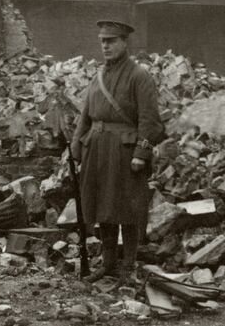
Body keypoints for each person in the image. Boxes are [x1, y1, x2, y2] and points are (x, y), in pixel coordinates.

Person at [70, 20, 165, 285]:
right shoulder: (98, 76)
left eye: (111, 41)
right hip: (97, 150)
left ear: (125, 43)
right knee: (104, 208)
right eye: (103, 41)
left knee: (129, 210)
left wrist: (141, 153)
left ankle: (128, 267)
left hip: (125, 152)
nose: (106, 46)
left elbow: (151, 121)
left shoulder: (139, 76)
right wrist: (76, 150)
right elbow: (85, 117)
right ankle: (108, 264)